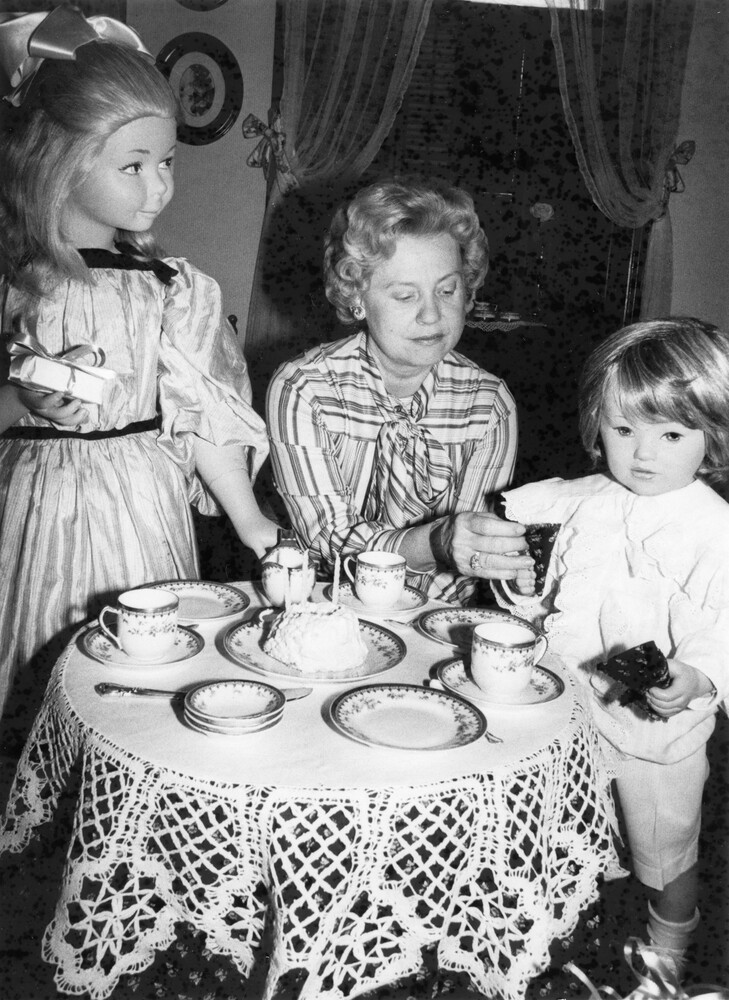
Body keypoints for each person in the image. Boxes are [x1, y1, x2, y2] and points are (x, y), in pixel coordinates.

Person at [0, 6, 278, 748]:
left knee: (140, 680)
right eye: (133, 165)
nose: (158, 187)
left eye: (166, 162)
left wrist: (250, 520)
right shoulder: (16, 282)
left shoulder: (168, 286)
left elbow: (200, 411)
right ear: (56, 159)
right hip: (38, 504)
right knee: (39, 664)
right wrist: (18, 396)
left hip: (142, 505)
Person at [493, 317, 729, 976]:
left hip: (655, 730)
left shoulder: (710, 529)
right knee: (569, 825)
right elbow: (559, 593)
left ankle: (670, 944)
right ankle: (562, 923)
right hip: (572, 709)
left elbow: (724, 620)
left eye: (670, 435)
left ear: (710, 436)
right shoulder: (585, 500)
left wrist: (697, 676)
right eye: (623, 430)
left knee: (662, 845)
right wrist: (524, 597)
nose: (642, 453)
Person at [266, 178, 533, 604]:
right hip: (312, 604)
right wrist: (436, 543)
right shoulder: (304, 389)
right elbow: (329, 541)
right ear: (356, 296)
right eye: (406, 295)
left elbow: (468, 561)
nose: (432, 314)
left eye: (448, 290)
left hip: (433, 612)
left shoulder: (489, 406)